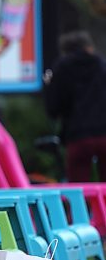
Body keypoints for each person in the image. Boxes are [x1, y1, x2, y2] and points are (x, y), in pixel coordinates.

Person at [43, 30, 106, 182]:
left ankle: (80, 207)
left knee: (78, 187)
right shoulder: (101, 64)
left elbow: (53, 109)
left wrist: (49, 87)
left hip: (78, 136)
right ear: (88, 47)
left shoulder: (61, 68)